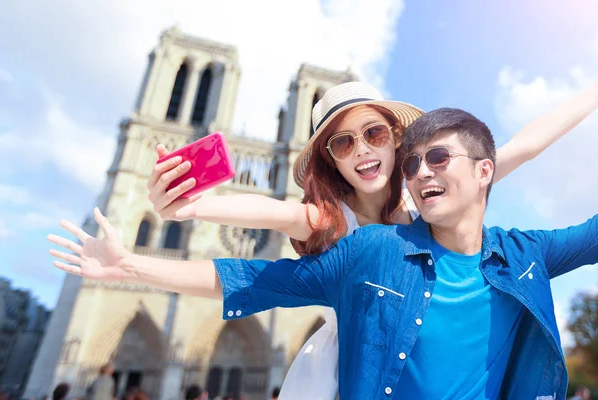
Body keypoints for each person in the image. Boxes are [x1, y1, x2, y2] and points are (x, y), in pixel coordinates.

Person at [47, 106, 598, 399]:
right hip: (348, 348)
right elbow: (255, 271)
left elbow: (523, 146)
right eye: (341, 142)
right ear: (329, 160)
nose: (360, 149)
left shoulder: (443, 197)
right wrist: (192, 209)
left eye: (373, 133)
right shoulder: (345, 233)